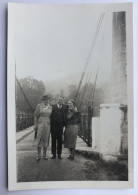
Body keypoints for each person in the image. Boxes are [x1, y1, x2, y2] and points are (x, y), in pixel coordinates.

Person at [34, 95, 52, 161]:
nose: (46, 101)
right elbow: (35, 115)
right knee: (39, 138)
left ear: (48, 100)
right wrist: (35, 124)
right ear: (43, 100)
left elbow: (52, 116)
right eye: (45, 99)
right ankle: (38, 155)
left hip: (47, 124)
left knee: (46, 138)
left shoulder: (50, 107)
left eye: (47, 99)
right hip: (40, 123)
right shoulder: (39, 106)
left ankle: (44, 155)